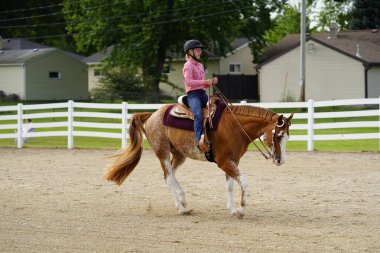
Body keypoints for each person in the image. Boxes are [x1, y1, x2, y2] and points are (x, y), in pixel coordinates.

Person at [183, 39, 218, 152]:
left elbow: (203, 85)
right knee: (198, 114)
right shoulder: (188, 65)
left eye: (200, 50)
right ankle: (199, 142)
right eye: (198, 50)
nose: (200, 52)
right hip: (193, 95)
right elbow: (189, 82)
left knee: (218, 107)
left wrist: (210, 83)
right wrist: (205, 82)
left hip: (202, 93)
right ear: (190, 51)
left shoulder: (200, 65)